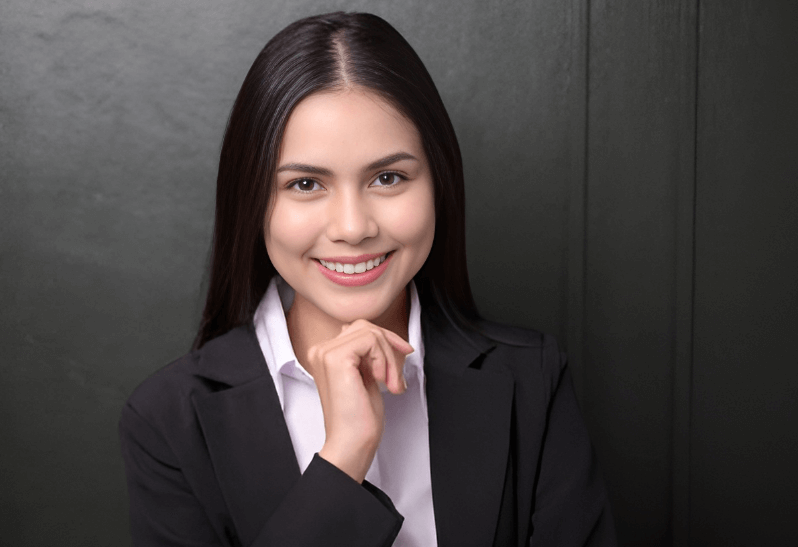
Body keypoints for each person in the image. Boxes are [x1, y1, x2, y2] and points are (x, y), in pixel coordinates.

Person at [119, 11, 616, 547]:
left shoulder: (531, 380)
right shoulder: (168, 421)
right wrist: (343, 458)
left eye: (388, 177)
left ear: (439, 184)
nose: (353, 228)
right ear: (252, 201)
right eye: (306, 183)